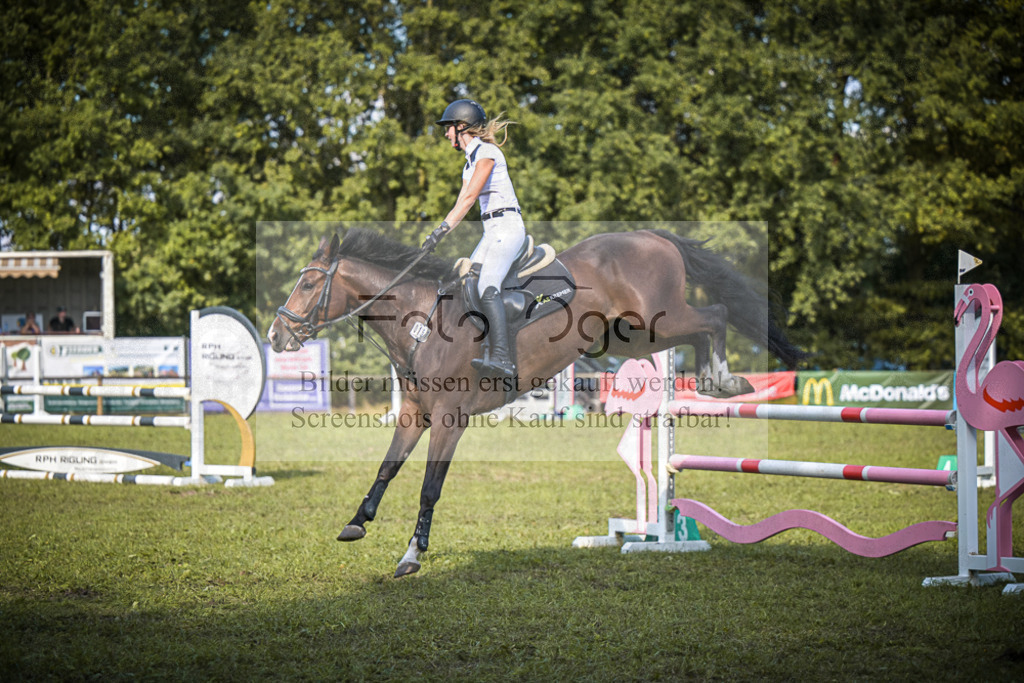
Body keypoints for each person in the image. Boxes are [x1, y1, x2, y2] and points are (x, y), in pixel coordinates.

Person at [422, 99, 525, 379]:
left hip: (508, 227)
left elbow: (468, 199)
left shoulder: (487, 153)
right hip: (491, 231)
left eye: (448, 128)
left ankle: (503, 357)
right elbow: (459, 205)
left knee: (488, 286)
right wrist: (436, 234)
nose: (446, 134)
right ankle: (483, 348)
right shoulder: (469, 164)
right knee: (466, 283)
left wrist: (441, 230)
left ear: (462, 126)